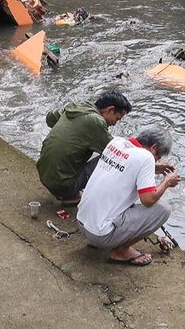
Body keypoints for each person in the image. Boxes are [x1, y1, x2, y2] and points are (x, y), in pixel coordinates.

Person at [77, 126, 180, 266]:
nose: (156, 160)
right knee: (163, 209)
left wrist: (154, 168)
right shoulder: (147, 157)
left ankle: (98, 240)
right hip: (100, 235)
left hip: (82, 223)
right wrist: (167, 182)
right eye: (158, 157)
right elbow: (148, 200)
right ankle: (121, 251)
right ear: (154, 147)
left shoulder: (116, 143)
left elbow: (125, 165)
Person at [37, 90, 132, 203]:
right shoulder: (96, 122)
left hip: (44, 175)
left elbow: (50, 119)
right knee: (112, 158)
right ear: (110, 109)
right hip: (63, 186)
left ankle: (67, 187)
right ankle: (71, 195)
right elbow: (117, 152)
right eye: (117, 118)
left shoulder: (75, 108)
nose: (115, 123)